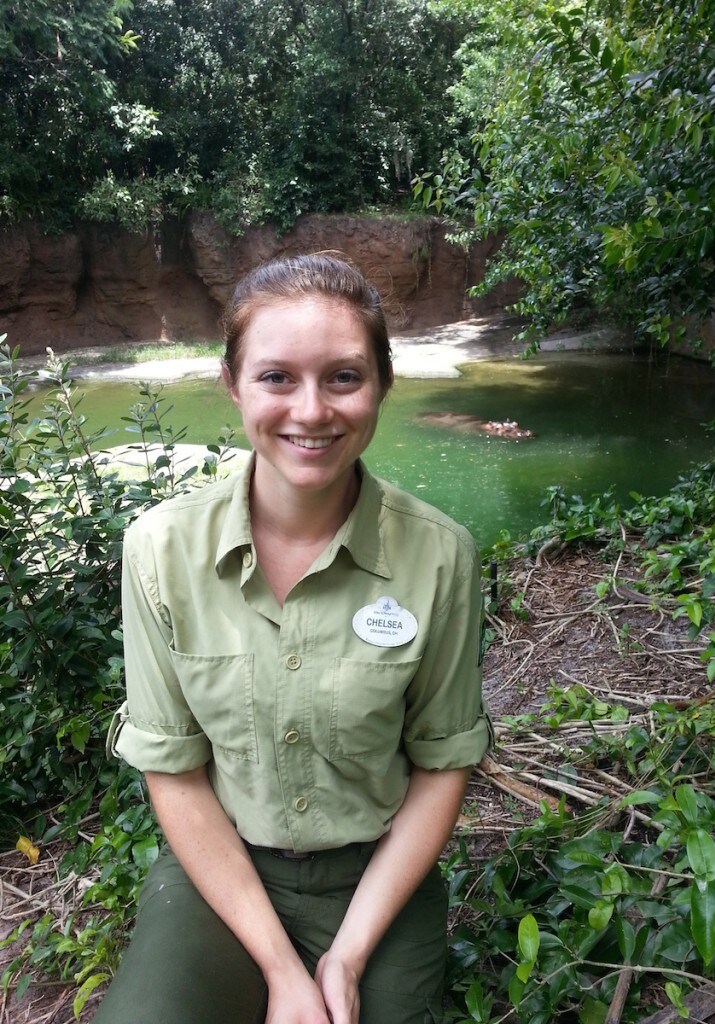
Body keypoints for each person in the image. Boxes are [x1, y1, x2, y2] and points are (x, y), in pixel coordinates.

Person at [96, 253, 492, 1024]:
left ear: (381, 384)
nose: (311, 411)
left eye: (343, 377)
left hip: (379, 874)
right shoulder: (158, 550)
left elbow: (443, 765)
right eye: (277, 377)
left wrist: (341, 962)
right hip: (223, 872)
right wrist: (283, 971)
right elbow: (174, 772)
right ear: (233, 385)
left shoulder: (441, 556)